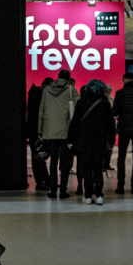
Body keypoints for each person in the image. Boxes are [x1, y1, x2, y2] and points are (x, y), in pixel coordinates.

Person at [67, 79, 116, 205]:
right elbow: (111, 125)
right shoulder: (105, 104)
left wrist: (70, 140)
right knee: (98, 168)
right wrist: (111, 141)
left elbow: (74, 123)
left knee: (86, 169)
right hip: (100, 142)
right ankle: (99, 195)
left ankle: (88, 195)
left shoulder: (81, 103)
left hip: (84, 141)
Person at [38, 68, 80, 199]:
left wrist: (40, 130)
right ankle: (62, 191)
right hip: (66, 133)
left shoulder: (46, 90)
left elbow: (42, 112)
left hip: (50, 133)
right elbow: (78, 107)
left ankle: (52, 191)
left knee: (52, 163)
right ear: (68, 78)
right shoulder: (71, 90)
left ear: (57, 76)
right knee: (65, 164)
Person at [27, 77, 53, 191]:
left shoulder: (35, 96)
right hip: (37, 131)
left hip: (34, 131)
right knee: (38, 158)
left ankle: (45, 181)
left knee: (39, 157)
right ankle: (41, 182)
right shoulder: (40, 97)